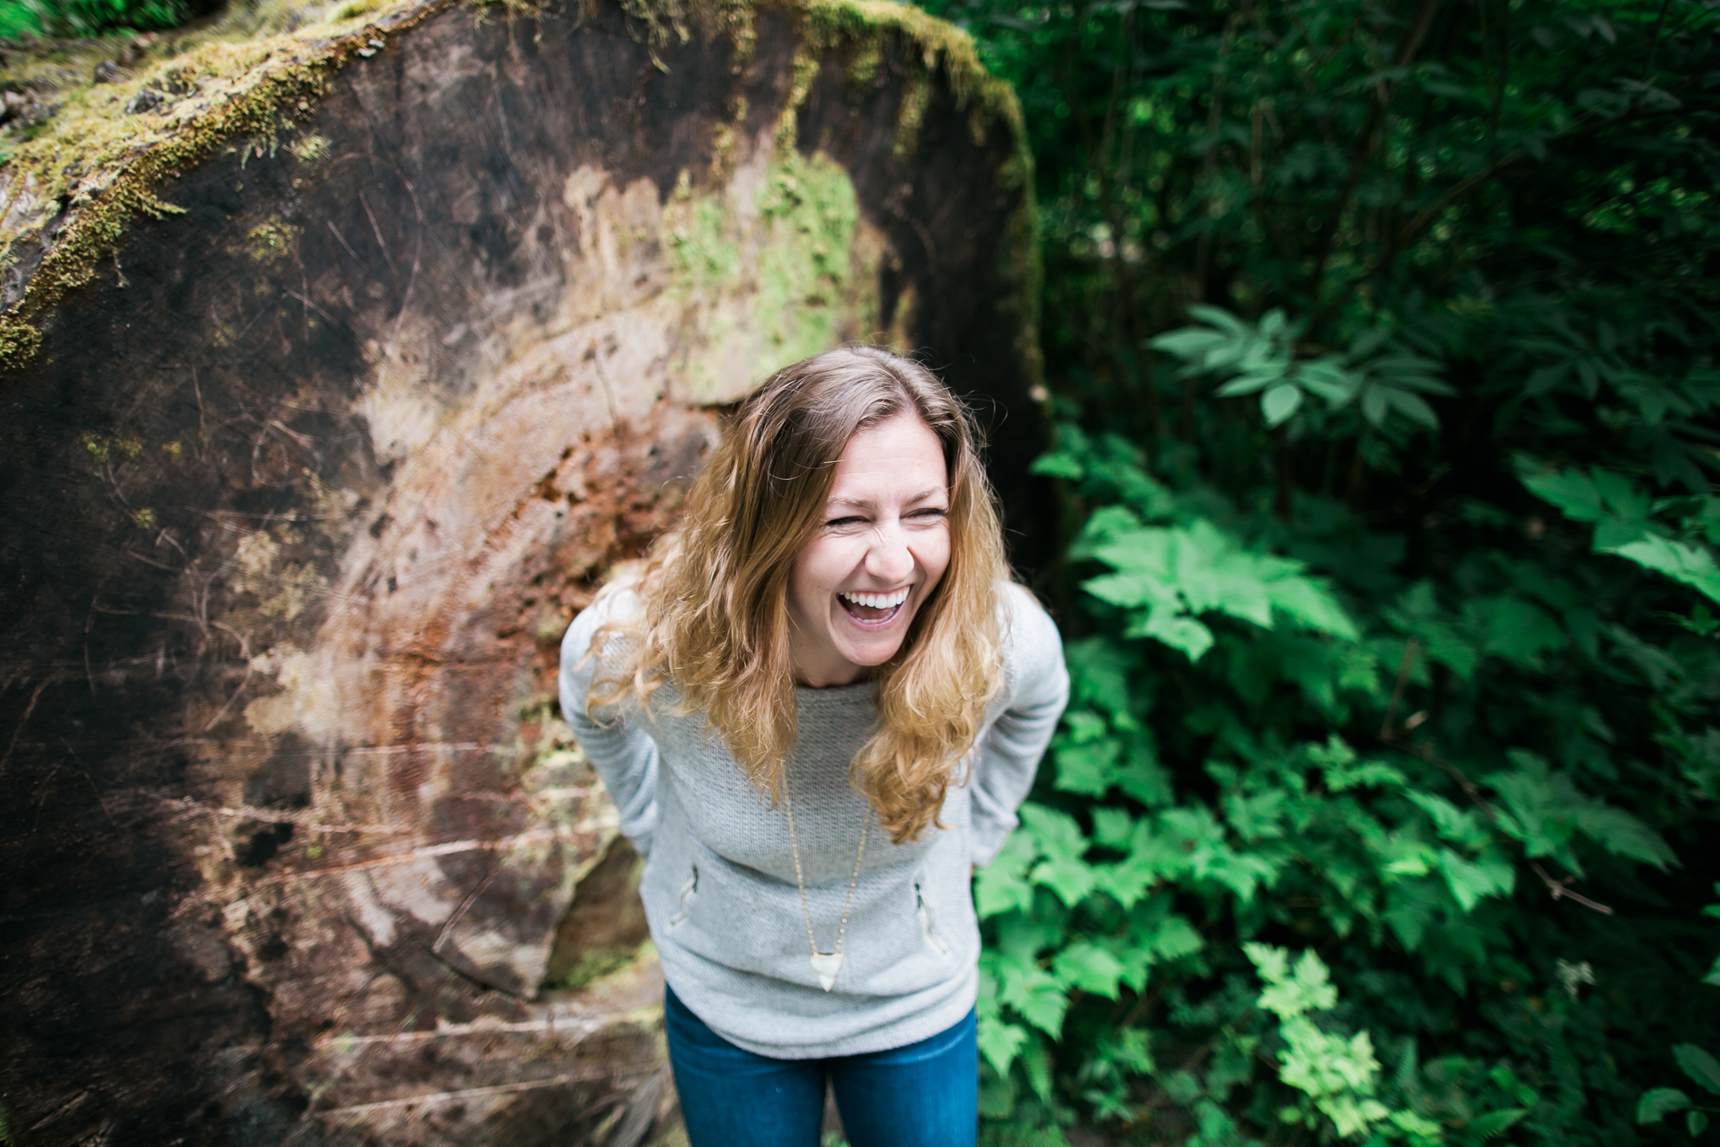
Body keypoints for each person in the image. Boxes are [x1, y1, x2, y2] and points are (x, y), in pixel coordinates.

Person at [558, 346, 1069, 1147]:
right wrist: (652, 822)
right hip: (729, 1003)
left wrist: (984, 831)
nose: (895, 561)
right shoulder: (655, 645)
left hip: (914, 1000)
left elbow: (1043, 695)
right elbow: (586, 695)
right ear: (768, 526)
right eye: (846, 517)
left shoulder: (989, 639)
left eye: (925, 512)